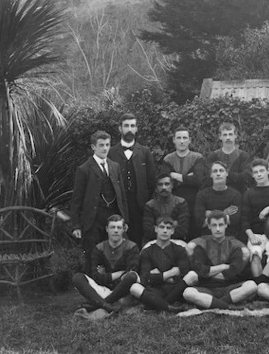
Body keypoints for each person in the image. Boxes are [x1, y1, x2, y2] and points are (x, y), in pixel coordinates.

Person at [70, 130, 129, 275]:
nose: (105, 148)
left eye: (107, 145)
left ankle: (111, 288)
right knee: (93, 255)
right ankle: (92, 290)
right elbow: (77, 199)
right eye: (101, 145)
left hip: (113, 218)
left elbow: (122, 197)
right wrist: (76, 225)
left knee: (114, 253)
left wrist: (124, 220)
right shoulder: (84, 169)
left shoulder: (114, 166)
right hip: (93, 219)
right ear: (93, 147)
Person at [183, 211, 258, 310]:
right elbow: (200, 271)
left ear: (226, 225)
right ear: (209, 226)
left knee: (252, 286)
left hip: (229, 287)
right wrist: (223, 267)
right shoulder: (201, 244)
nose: (218, 229)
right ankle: (226, 305)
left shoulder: (234, 245)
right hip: (206, 287)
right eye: (214, 225)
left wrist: (208, 272)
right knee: (187, 293)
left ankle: (213, 303)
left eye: (221, 225)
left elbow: (232, 272)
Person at [71, 214, 140, 313]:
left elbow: (129, 273)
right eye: (112, 227)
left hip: (123, 293)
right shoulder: (99, 248)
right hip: (103, 290)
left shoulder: (131, 247)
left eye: (119, 227)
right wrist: (118, 274)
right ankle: (107, 305)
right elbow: (95, 276)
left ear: (124, 229)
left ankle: (98, 305)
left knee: (132, 276)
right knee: (77, 277)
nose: (116, 230)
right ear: (107, 229)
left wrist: (106, 276)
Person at [108, 113, 157, 247]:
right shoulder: (111, 152)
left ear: (136, 129)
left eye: (132, 126)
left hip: (139, 203)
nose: (129, 129)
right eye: (126, 126)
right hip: (117, 204)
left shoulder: (145, 152)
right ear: (120, 129)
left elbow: (151, 180)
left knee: (137, 238)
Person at [129, 216, 197, 313]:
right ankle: (168, 307)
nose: (165, 231)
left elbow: (184, 274)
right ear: (156, 229)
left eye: (168, 228)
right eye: (162, 227)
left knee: (191, 276)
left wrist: (157, 276)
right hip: (155, 290)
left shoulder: (179, 250)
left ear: (172, 231)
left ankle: (157, 305)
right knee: (134, 288)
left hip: (175, 289)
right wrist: (169, 274)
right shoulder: (147, 251)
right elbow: (145, 278)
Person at [161, 126, 206, 233]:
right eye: (179, 138)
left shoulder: (198, 158)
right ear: (174, 140)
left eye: (185, 138)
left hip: (193, 203)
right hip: (174, 204)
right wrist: (188, 178)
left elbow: (198, 181)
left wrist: (176, 176)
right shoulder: (168, 159)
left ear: (189, 140)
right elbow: (166, 183)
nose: (182, 141)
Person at [194, 161, 242, 238]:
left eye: (221, 170)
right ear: (211, 175)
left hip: (229, 238)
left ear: (227, 173)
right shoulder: (202, 195)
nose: (218, 174)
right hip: (206, 237)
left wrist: (209, 213)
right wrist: (224, 213)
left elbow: (235, 221)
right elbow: (201, 223)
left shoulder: (235, 195)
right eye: (215, 171)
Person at [204, 122, 253, 193]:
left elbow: (246, 177)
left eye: (230, 134)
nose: (228, 137)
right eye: (225, 135)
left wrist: (223, 175)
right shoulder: (213, 156)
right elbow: (208, 178)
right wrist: (235, 176)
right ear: (220, 136)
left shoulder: (243, 156)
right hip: (217, 193)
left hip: (239, 193)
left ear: (235, 135)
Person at [142, 172, 190, 245]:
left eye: (167, 184)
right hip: (155, 242)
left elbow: (183, 230)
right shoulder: (149, 205)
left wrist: (158, 227)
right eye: (160, 184)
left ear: (172, 185)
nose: (164, 187)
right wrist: (173, 225)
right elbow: (148, 231)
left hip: (176, 242)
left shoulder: (181, 203)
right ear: (156, 188)